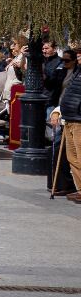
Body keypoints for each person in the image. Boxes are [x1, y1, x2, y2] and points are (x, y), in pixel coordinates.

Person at [50, 63, 81, 202]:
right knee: (72, 158)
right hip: (70, 119)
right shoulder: (78, 71)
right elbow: (69, 94)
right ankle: (80, 189)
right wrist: (58, 111)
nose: (79, 56)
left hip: (78, 121)